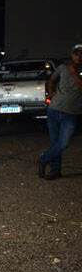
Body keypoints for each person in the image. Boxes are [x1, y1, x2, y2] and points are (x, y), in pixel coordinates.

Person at [37, 45, 82, 180]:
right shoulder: (62, 68)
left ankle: (43, 159)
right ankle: (55, 170)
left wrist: (74, 74)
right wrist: (51, 93)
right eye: (76, 54)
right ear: (72, 55)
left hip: (71, 113)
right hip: (54, 110)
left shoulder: (78, 71)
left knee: (63, 143)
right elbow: (51, 80)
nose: (78, 56)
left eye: (81, 54)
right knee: (55, 142)